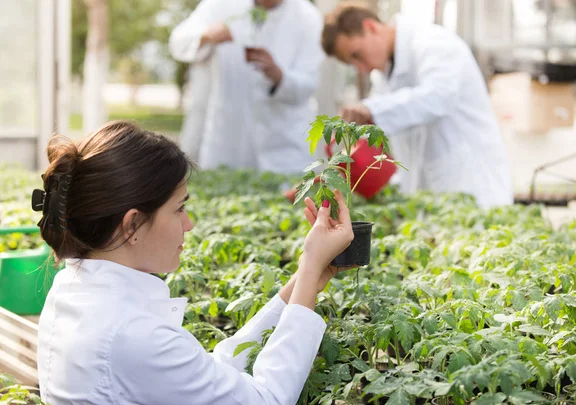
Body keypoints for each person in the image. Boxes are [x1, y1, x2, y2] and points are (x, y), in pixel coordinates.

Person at [34, 121, 354, 404]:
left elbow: (211, 373)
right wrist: (311, 266)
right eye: (179, 209)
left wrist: (304, 279)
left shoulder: (73, 289)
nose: (189, 224)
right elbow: (265, 399)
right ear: (132, 226)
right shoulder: (133, 337)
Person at [321, 4, 513, 208]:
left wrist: (371, 109)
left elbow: (438, 97)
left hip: (474, 186)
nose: (361, 68)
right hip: (431, 195)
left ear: (371, 27)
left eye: (357, 55)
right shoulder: (383, 76)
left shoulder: (434, 43)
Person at [169, 0, 325, 174]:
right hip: (228, 141)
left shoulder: (308, 16)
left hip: (284, 147)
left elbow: (309, 84)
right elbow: (178, 42)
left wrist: (278, 75)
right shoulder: (221, 5)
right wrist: (206, 35)